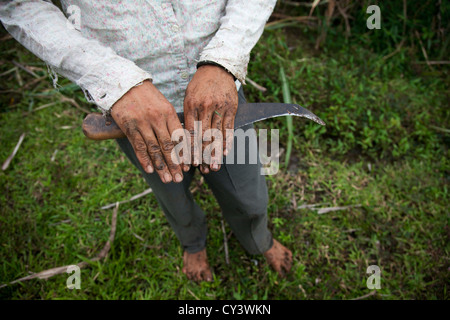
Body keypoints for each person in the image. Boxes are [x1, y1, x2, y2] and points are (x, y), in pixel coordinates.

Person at [0, 0, 293, 282]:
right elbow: (17, 4)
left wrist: (224, 59)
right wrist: (115, 79)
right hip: (134, 112)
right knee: (173, 195)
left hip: (219, 98)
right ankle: (193, 244)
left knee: (249, 196)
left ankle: (258, 240)